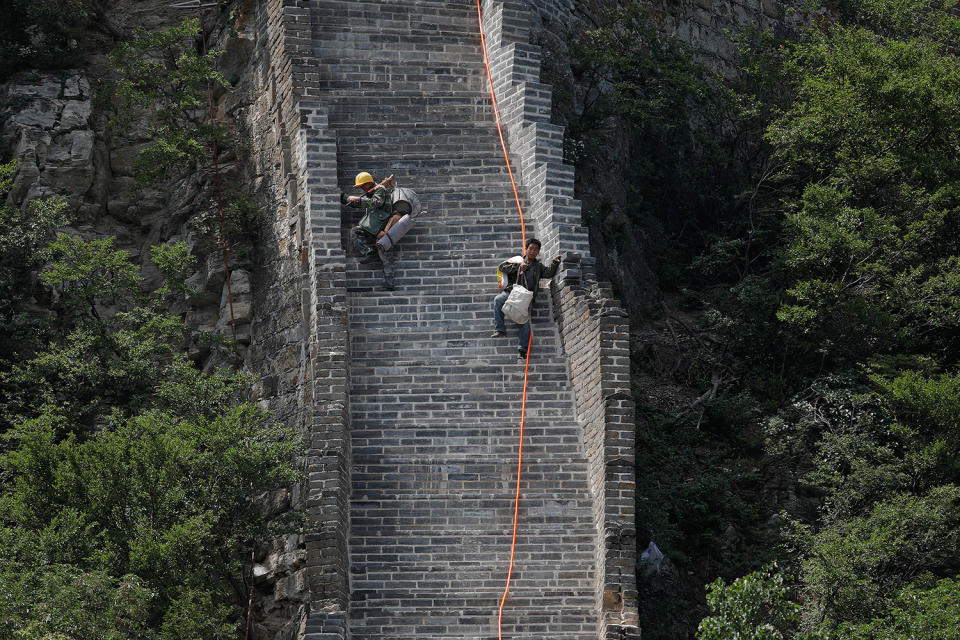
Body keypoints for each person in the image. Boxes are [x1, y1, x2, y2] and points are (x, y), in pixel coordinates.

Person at [492, 237, 561, 359]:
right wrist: (518, 268)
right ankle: (500, 328)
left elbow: (548, 273)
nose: (533, 251)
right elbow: (502, 267)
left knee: (524, 322)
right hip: (513, 293)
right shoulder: (518, 260)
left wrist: (555, 263)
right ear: (526, 249)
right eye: (531, 248)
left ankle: (522, 350)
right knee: (498, 300)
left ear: (538, 252)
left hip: (527, 298)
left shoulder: (538, 266)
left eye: (536, 250)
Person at [341, 171, 401, 290]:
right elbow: (360, 204)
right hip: (372, 227)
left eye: (363, 185)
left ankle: (389, 281)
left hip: (382, 227)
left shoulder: (381, 190)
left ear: (369, 183)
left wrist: (359, 199)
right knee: (355, 232)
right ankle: (369, 252)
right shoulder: (371, 192)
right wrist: (345, 198)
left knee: (384, 255)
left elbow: (375, 203)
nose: (362, 188)